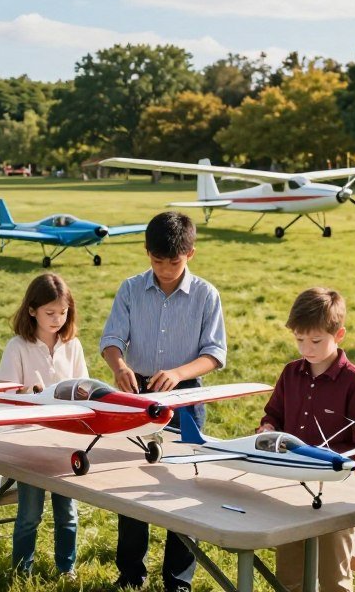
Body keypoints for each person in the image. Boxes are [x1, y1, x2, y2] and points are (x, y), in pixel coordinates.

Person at [100, 211, 226, 592]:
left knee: (179, 482)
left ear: (191, 253)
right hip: (136, 394)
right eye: (157, 261)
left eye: (174, 261)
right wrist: (119, 365)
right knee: (130, 478)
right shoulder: (130, 289)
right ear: (146, 253)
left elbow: (215, 353)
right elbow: (111, 339)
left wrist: (179, 373)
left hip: (185, 396)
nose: (166, 269)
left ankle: (178, 579)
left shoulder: (206, 295)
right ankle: (131, 573)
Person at [258, 287, 355, 592]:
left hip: (337, 494)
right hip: (291, 486)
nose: (306, 348)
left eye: (315, 341)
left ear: (339, 335)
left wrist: (327, 460)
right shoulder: (290, 373)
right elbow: (273, 415)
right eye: (299, 340)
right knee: (289, 574)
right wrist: (268, 428)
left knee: (334, 577)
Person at [0, 273, 87, 579]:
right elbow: (4, 392)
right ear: (32, 310)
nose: (57, 319)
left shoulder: (72, 345)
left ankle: (66, 568)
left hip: (65, 440)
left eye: (63, 312)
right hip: (28, 441)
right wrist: (26, 393)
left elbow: (83, 386)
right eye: (50, 313)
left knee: (68, 513)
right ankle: (22, 572)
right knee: (29, 514)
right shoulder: (18, 346)